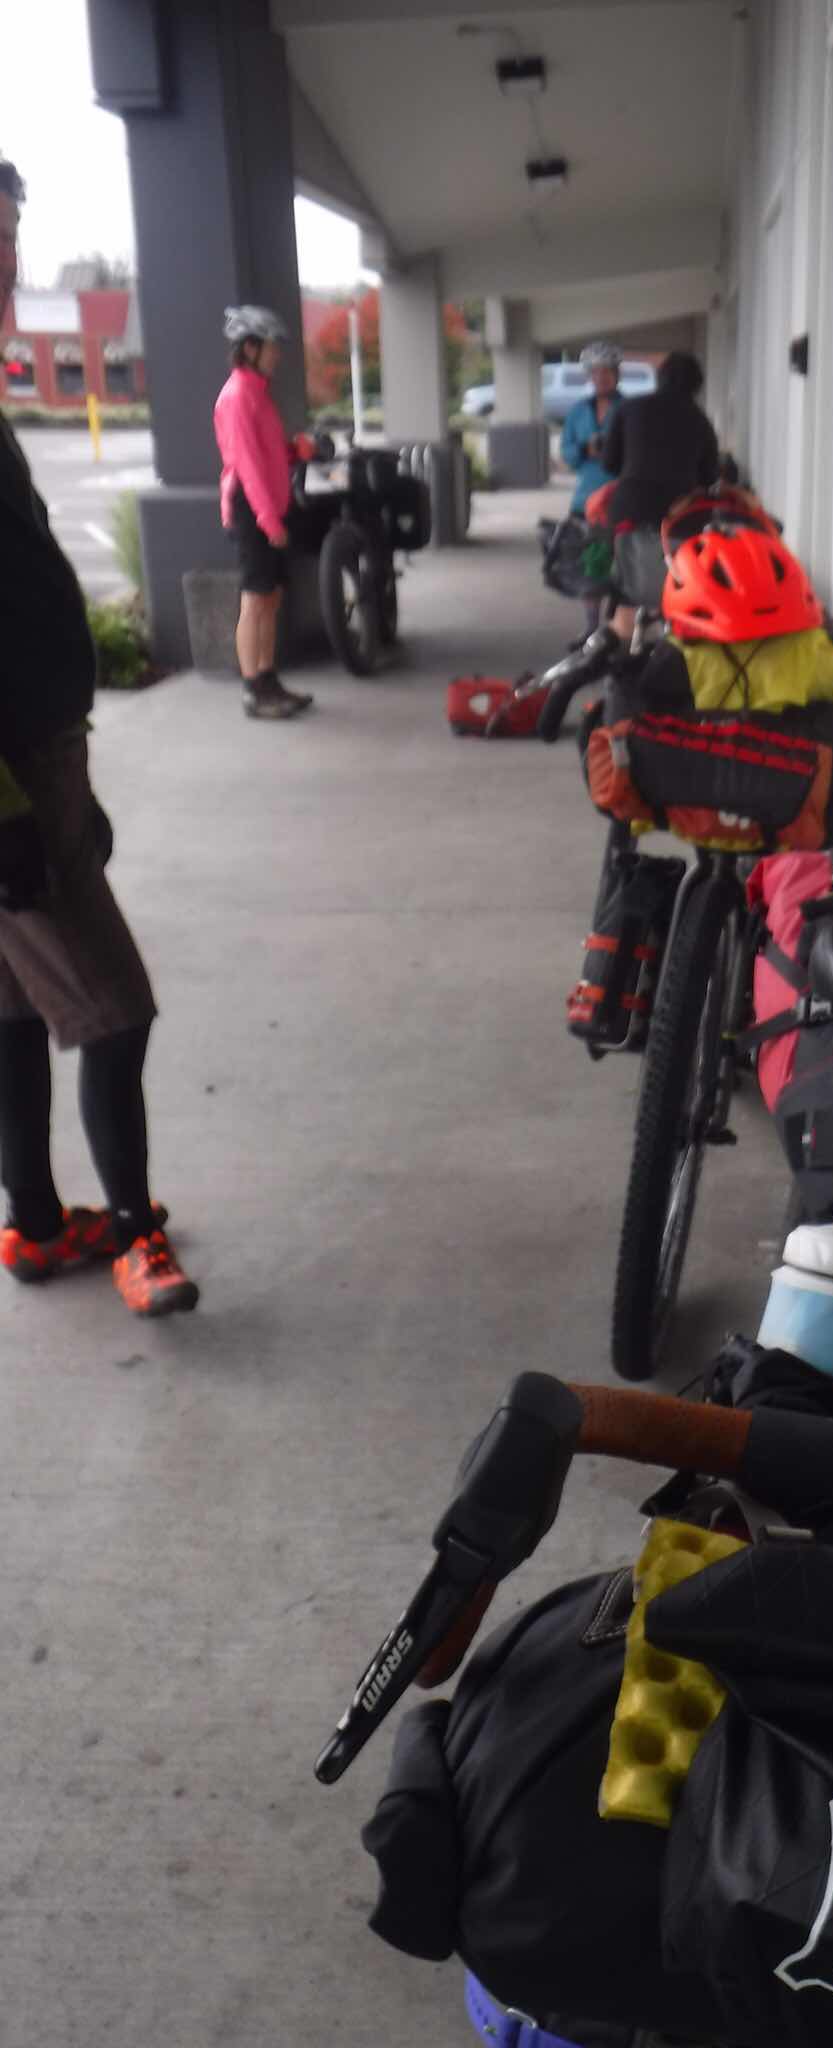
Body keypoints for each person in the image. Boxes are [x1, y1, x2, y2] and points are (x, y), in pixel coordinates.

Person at [0, 156, 198, 1316]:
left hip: (35, 767)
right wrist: (17, 815)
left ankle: (33, 1224)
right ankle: (135, 1235)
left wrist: (68, 790)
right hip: (10, 785)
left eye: (8, 235)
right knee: (118, 1011)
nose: (4, 260)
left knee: (14, 1012)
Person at [213, 306, 314, 721]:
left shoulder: (257, 392)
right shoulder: (237, 396)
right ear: (250, 348)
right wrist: (269, 522)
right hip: (252, 507)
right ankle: (253, 689)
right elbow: (248, 466)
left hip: (269, 504)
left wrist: (294, 451)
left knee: (271, 598)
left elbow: (268, 454)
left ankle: (269, 679)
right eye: (272, 347)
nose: (277, 355)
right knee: (255, 600)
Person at [602, 351, 719, 644]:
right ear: (697, 386)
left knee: (628, 589)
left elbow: (609, 463)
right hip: (678, 518)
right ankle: (670, 647)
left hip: (629, 511)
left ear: (660, 378)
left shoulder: (629, 408)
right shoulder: (700, 421)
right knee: (677, 585)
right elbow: (710, 477)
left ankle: (620, 648)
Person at [558, 341, 625, 638]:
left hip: (620, 498)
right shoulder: (578, 412)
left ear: (617, 374)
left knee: (623, 565)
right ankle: (591, 628)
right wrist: (586, 448)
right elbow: (567, 453)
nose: (601, 378)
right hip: (587, 499)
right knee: (592, 564)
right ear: (589, 376)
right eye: (596, 373)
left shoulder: (629, 409)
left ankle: (616, 627)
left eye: (607, 372)